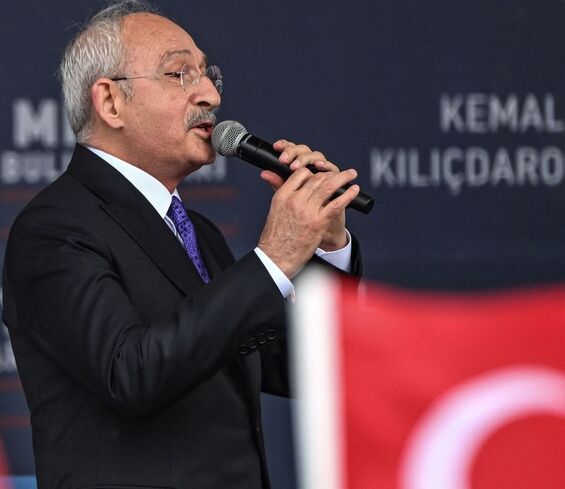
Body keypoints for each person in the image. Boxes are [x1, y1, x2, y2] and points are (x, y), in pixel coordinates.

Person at [1, 1, 361, 488]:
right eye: (179, 74)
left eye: (208, 73)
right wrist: (271, 259)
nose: (209, 93)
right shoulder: (54, 228)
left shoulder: (199, 233)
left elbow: (298, 371)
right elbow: (130, 374)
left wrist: (326, 245)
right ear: (110, 103)